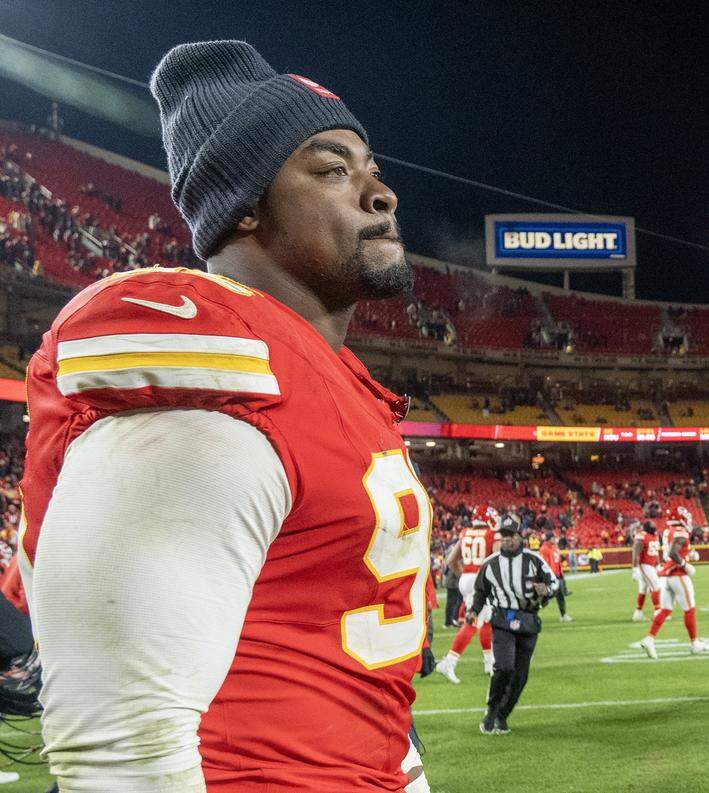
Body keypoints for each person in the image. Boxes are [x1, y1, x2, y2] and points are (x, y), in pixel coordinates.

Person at [20, 40, 432, 792]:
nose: (381, 194)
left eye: (373, 170)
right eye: (332, 168)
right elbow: (123, 747)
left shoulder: (319, 378)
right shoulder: (210, 384)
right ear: (242, 204)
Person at [470, 514, 558, 735]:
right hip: (502, 619)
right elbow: (481, 591)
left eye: (511, 535)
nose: (507, 540)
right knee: (504, 667)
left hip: (528, 620)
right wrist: (474, 610)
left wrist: (545, 590)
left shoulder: (534, 560)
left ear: (521, 536)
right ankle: (491, 710)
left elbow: (554, 583)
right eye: (504, 536)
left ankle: (503, 715)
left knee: (521, 675)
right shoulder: (490, 564)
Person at [638, 506, 709, 658]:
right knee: (689, 609)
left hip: (666, 576)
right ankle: (695, 644)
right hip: (678, 575)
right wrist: (685, 564)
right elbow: (673, 552)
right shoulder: (680, 531)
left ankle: (650, 638)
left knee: (665, 610)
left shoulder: (668, 531)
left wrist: (688, 555)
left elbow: (676, 551)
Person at [436, 506, 500, 684]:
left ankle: (489, 662)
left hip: (467, 577)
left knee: (486, 620)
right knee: (472, 622)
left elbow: (450, 561)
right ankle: (449, 662)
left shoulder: (465, 532)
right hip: (480, 580)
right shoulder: (491, 534)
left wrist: (465, 573)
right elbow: (497, 561)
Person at [631, 521, 662, 621]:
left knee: (643, 590)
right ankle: (658, 611)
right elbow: (635, 553)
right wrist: (635, 569)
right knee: (656, 586)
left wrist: (658, 565)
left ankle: (638, 613)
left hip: (651, 565)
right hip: (644, 565)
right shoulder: (641, 536)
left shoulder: (655, 536)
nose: (654, 528)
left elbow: (656, 553)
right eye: (652, 526)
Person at [539, 532, 571, 622]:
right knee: (547, 596)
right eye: (553, 538)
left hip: (558, 575)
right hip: (551, 577)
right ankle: (533, 612)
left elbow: (558, 562)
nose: (555, 539)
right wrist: (548, 577)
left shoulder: (554, 548)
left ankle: (563, 615)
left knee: (560, 595)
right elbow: (544, 564)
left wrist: (561, 573)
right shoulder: (544, 549)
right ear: (550, 538)